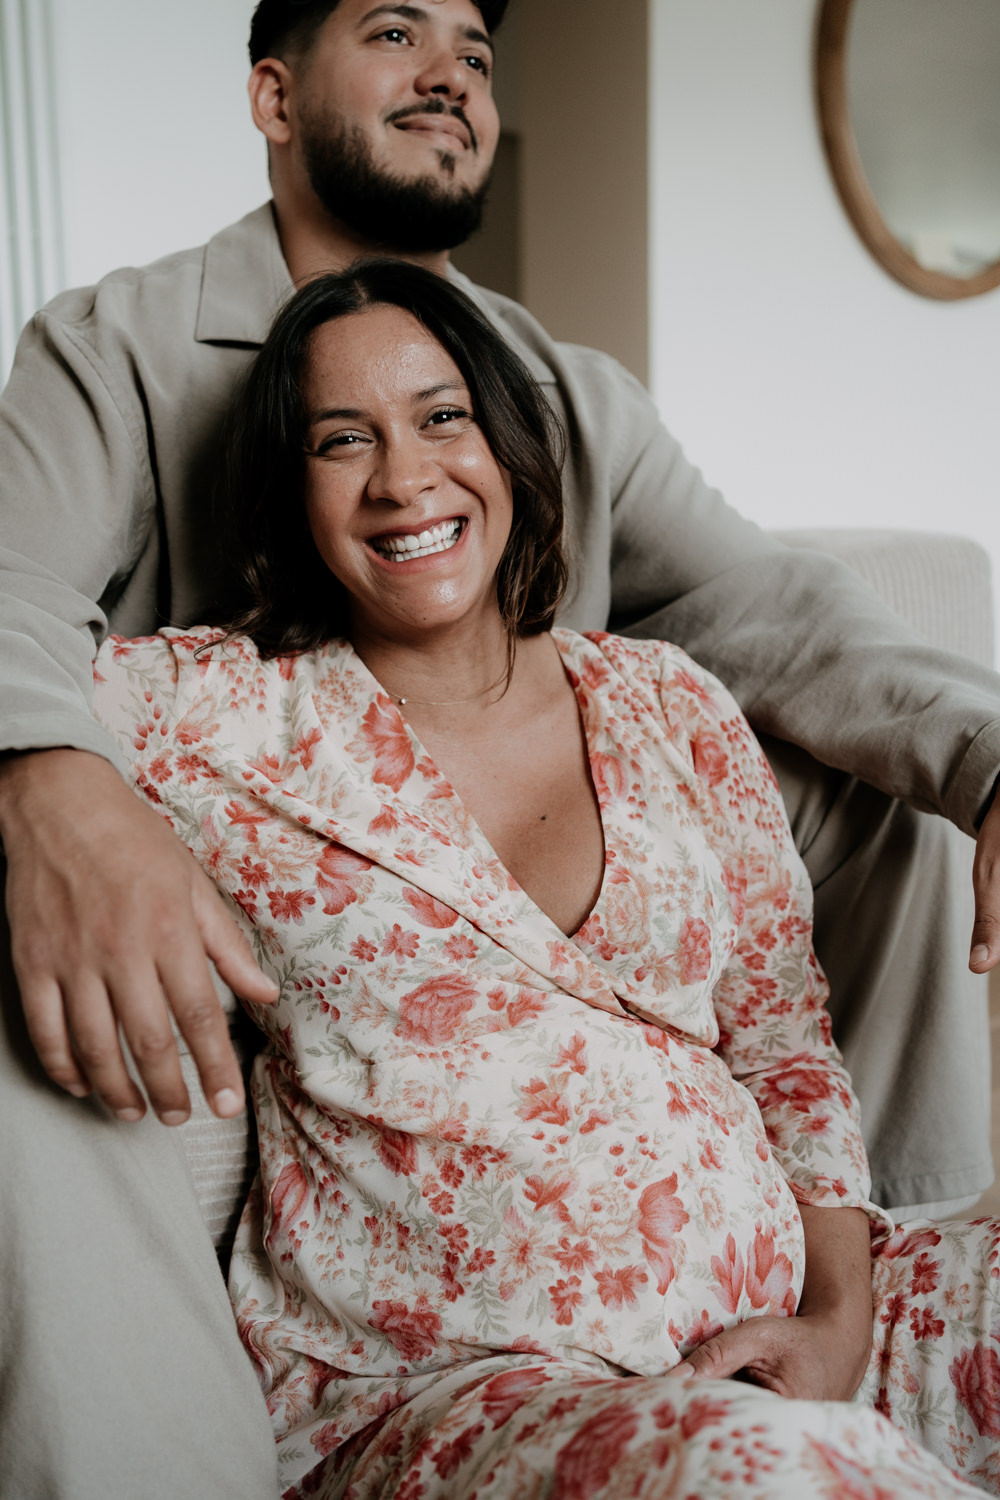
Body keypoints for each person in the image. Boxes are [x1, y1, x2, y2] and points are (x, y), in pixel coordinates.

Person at [0, 0, 998, 1493]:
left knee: (882, 781)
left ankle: (879, 1265)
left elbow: (777, 611)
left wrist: (989, 755)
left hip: (717, 1212)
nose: (451, 75)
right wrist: (57, 788)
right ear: (273, 95)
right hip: (327, 987)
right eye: (394, 30)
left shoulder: (573, 410)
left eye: (473, 49)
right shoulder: (118, 355)